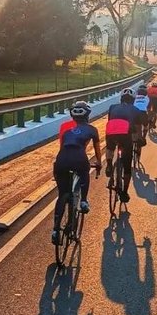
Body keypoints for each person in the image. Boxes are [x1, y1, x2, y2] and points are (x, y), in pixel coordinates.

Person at [52, 101, 102, 244]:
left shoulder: (67, 131)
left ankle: (55, 230)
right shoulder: (92, 129)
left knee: (62, 194)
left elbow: (62, 148)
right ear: (87, 115)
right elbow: (97, 149)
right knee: (84, 172)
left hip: (61, 160)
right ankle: (84, 201)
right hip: (79, 158)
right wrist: (99, 162)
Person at [105, 90, 143, 202]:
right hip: (125, 134)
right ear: (133, 99)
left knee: (110, 147)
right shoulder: (135, 109)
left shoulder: (112, 107)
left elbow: (110, 120)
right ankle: (124, 192)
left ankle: (108, 164)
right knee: (127, 165)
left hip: (111, 130)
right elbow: (137, 126)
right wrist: (139, 139)